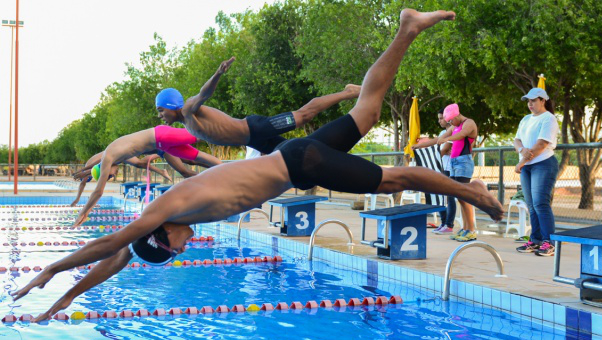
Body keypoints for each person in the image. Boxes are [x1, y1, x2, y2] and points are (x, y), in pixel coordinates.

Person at [12, 9, 504, 322]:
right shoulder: (174, 216)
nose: (185, 249)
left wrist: (51, 269)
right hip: (292, 158)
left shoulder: (167, 209)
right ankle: (407, 29)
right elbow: (116, 259)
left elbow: (112, 243)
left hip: (298, 163)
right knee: (367, 112)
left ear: (161, 235)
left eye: (175, 251)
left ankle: (474, 195)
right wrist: (67, 297)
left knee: (399, 177)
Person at [155, 59, 361, 155]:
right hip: (255, 141)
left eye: (161, 110)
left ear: (172, 106)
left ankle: (349, 92)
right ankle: (337, 147)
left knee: (304, 116)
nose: (161, 116)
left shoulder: (188, 109)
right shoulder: (186, 124)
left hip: (256, 128)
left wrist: (218, 73)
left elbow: (204, 93)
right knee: (299, 153)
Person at [72, 126, 222, 226]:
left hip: (161, 135)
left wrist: (84, 212)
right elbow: (93, 173)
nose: (112, 176)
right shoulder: (115, 158)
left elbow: (98, 191)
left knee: (203, 135)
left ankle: (235, 134)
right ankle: (224, 174)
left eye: (109, 176)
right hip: (162, 146)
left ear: (103, 168)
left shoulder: (108, 157)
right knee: (187, 168)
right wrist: (83, 174)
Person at [513, 87, 559, 256]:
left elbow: (541, 144)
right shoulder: (526, 119)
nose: (530, 104)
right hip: (527, 166)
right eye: (528, 101)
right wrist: (521, 150)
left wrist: (522, 161)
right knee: (531, 206)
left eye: (533, 100)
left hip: (543, 164)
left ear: (543, 100)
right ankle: (535, 239)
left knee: (541, 203)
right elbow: (516, 140)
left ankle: (549, 242)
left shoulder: (549, 119)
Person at [426, 103, 478, 241]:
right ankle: (466, 228)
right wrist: (418, 146)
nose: (450, 123)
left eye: (450, 120)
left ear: (457, 115)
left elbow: (462, 135)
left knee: (464, 197)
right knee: (460, 198)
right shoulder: (455, 126)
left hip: (464, 162)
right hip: (454, 163)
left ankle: (471, 230)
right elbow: (437, 140)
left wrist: (446, 138)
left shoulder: (469, 123)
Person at [70, 153, 173, 207]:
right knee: (140, 163)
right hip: (115, 158)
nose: (114, 175)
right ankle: (161, 167)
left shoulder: (92, 165)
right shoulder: (95, 170)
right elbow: (83, 183)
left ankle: (161, 154)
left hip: (117, 154)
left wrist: (82, 171)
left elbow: (100, 162)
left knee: (139, 163)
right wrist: (77, 199)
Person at [412, 107, 456, 234]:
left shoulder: (453, 132)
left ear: (448, 118)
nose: (439, 121)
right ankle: (443, 222)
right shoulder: (444, 133)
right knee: (440, 195)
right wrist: (419, 146)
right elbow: (435, 142)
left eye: (441, 118)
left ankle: (449, 224)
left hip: (449, 168)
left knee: (450, 197)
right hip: (442, 168)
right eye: (439, 119)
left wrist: (438, 155)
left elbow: (443, 150)